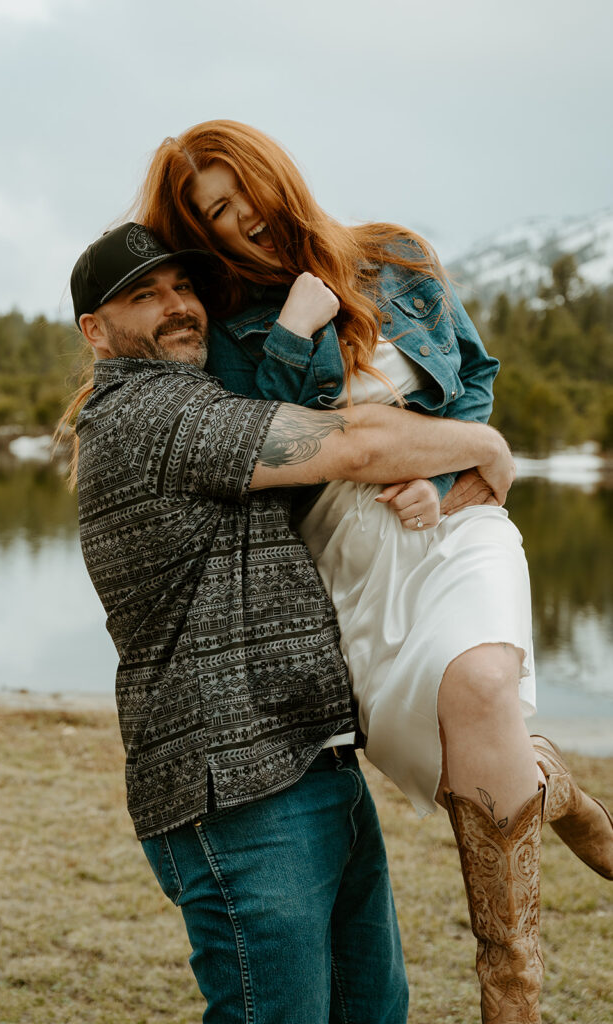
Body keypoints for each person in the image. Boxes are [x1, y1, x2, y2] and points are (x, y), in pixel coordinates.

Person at [135, 120, 613, 1023]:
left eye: (245, 195)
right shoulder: (232, 329)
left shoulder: (398, 258)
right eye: (216, 215)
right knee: (450, 765)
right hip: (344, 563)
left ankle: (511, 1002)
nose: (241, 222)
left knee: (478, 682)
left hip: (454, 528)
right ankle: (552, 785)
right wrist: (293, 329)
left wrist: (446, 471)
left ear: (279, 178)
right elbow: (285, 444)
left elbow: (472, 374)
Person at [64, 221, 520, 1024]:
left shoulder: (206, 400)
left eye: (182, 287)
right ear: (96, 333)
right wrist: (483, 442)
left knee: (370, 1013)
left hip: (313, 762)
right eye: (143, 296)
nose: (177, 308)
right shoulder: (150, 411)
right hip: (236, 788)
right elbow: (353, 443)